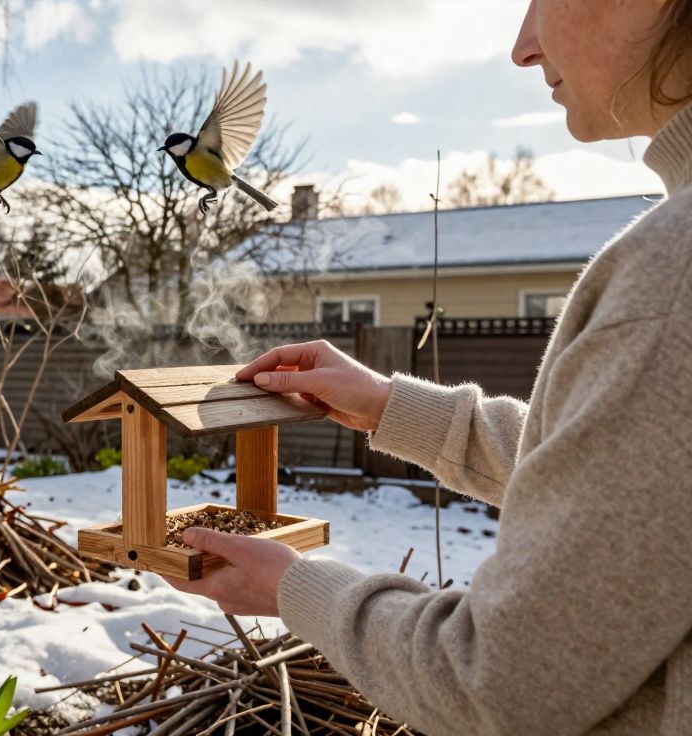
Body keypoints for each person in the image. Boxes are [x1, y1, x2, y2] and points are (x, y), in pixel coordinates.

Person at [166, 1, 692, 733]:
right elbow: (635, 485)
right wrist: (391, 407)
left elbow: (501, 681)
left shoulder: (672, 275)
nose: (523, 46)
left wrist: (294, 588)